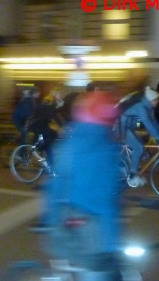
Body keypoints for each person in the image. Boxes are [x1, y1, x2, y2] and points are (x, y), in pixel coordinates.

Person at [45, 91, 123, 279]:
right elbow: (113, 192)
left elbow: (56, 189)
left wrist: (51, 223)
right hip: (101, 237)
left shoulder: (69, 147)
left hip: (78, 231)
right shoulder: (108, 148)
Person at [117, 86, 159, 187]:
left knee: (140, 145)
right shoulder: (141, 107)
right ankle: (132, 176)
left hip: (127, 126)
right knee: (138, 147)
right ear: (151, 100)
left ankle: (126, 167)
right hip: (120, 126)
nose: (158, 102)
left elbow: (153, 122)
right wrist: (158, 138)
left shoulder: (149, 107)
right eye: (156, 100)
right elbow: (148, 123)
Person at [27, 87, 64, 168]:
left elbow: (56, 114)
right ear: (56, 94)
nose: (62, 96)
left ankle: (48, 165)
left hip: (42, 123)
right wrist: (61, 126)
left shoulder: (52, 101)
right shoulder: (49, 100)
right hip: (37, 123)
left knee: (49, 141)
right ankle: (40, 149)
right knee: (53, 134)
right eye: (60, 94)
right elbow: (52, 115)